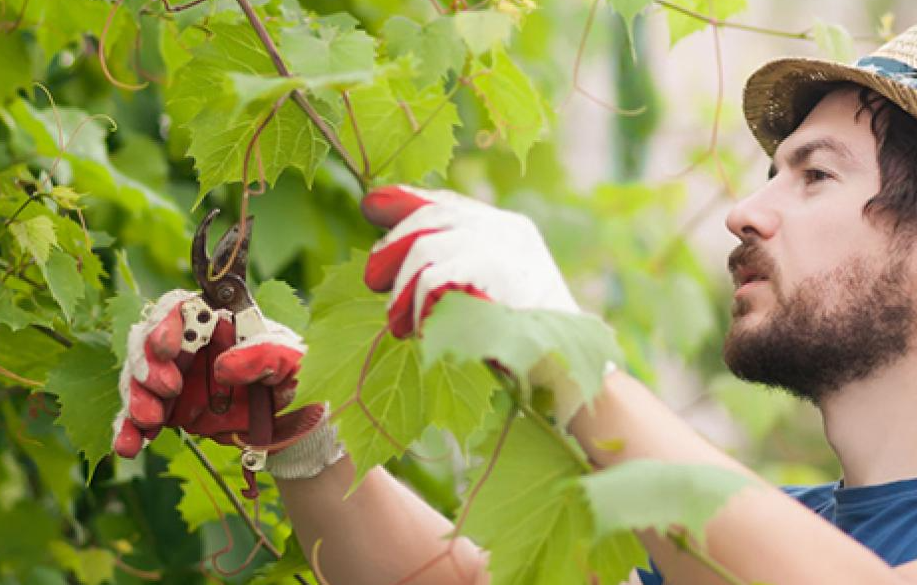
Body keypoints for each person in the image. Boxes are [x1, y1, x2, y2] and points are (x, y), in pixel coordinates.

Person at [112, 23, 917, 585]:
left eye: (814, 174)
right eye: (771, 171)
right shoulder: (780, 534)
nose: (747, 209)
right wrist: (305, 441)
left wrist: (570, 363)